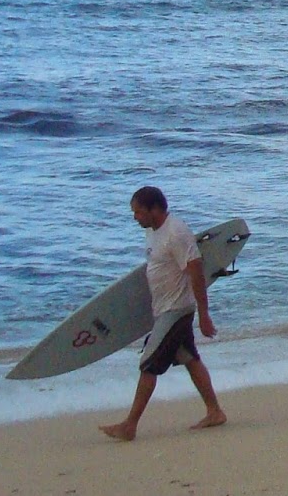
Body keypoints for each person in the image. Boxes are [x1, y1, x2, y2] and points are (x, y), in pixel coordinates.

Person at [99, 186, 227, 440]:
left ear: (154, 209)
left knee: (149, 363)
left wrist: (204, 314)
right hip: (164, 309)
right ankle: (215, 411)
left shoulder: (176, 233)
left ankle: (130, 425)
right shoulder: (153, 231)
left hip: (175, 310)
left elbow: (196, 272)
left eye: (138, 212)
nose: (135, 217)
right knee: (189, 358)